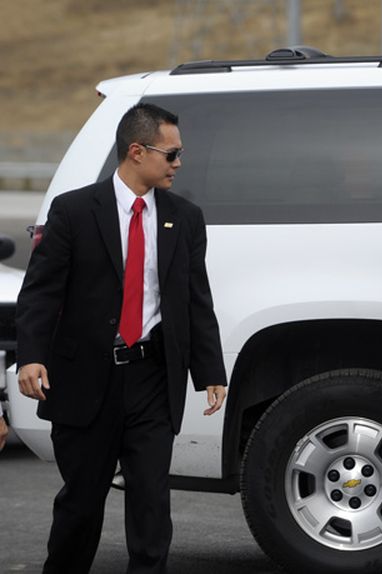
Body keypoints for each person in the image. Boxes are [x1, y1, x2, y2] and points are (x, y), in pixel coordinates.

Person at [15, 103, 228, 574]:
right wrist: (31, 356)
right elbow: (41, 292)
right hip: (86, 378)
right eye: (171, 154)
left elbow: (196, 298)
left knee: (152, 503)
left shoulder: (184, 217)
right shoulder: (73, 211)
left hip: (152, 378)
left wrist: (210, 371)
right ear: (137, 151)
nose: (178, 164)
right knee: (82, 504)